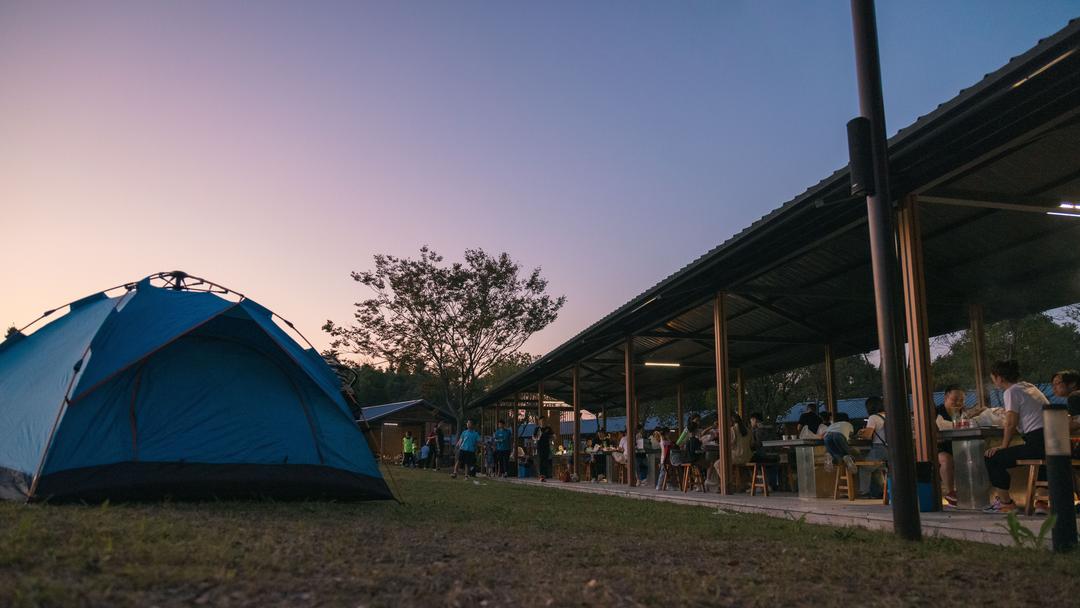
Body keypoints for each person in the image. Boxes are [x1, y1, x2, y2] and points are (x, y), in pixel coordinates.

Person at [983, 360, 1050, 513]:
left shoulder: (1011, 391)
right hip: (1051, 442)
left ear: (999, 378)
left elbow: (1011, 423)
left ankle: (1006, 504)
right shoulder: (1029, 387)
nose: (993, 381)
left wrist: (1003, 446)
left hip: (1037, 443)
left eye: (993, 378)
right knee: (1043, 461)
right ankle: (1041, 504)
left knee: (993, 458)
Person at [935, 385, 981, 506]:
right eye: (955, 399)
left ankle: (970, 492)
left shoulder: (963, 413)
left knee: (975, 458)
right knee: (947, 460)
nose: (958, 403)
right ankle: (951, 493)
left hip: (958, 446)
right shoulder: (936, 411)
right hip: (939, 448)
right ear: (946, 397)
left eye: (961, 400)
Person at [856, 396, 887, 498]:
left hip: (879, 448)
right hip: (891, 449)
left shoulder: (873, 418)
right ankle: (883, 492)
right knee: (876, 468)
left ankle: (864, 493)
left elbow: (868, 435)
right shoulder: (887, 415)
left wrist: (861, 433)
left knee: (865, 468)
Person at [533, 416, 553, 481]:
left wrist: (552, 437)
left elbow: (553, 435)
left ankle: (545, 475)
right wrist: (536, 438)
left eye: (544, 421)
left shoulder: (548, 428)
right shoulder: (537, 429)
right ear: (539, 422)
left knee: (546, 460)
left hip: (547, 446)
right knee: (541, 460)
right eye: (541, 421)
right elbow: (533, 437)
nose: (542, 422)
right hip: (540, 447)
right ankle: (541, 475)